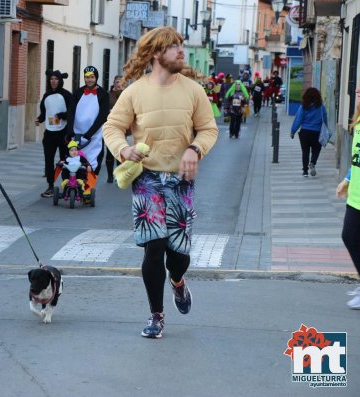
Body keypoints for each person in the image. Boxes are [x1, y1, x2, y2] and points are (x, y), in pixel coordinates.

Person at [103, 26, 218, 339]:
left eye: (181, 46)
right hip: (148, 179)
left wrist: (195, 149)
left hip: (182, 181)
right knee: (153, 249)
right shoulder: (135, 92)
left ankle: (178, 282)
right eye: (173, 47)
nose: (181, 51)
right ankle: (156, 315)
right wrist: (123, 149)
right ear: (156, 53)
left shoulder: (193, 91)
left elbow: (208, 129)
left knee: (177, 255)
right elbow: (112, 127)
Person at [336, 83, 360, 309]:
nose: (358, 91)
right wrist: (347, 179)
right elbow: (357, 159)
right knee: (349, 236)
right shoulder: (359, 122)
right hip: (356, 196)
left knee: (352, 237)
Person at [68, 66, 109, 197]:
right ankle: (76, 185)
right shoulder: (78, 92)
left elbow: (102, 116)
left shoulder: (103, 94)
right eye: (87, 77)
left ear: (96, 77)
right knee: (75, 161)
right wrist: (69, 131)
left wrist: (90, 134)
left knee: (93, 161)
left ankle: (89, 188)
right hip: (77, 135)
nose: (89, 80)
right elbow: (71, 112)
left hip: (94, 135)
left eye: (92, 77)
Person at [36, 70, 72, 198]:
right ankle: (50, 186)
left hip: (63, 133)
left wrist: (62, 115)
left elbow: (72, 112)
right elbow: (44, 112)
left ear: (60, 80)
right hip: (50, 133)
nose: (53, 81)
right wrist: (39, 119)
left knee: (65, 160)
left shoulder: (67, 95)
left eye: (56, 79)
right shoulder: (46, 95)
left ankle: (66, 185)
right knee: (48, 160)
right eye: (51, 79)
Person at [290, 87, 327, 177]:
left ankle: (305, 171)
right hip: (317, 133)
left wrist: (293, 131)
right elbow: (325, 120)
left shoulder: (303, 107)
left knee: (305, 151)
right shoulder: (321, 108)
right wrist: (325, 132)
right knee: (316, 150)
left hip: (305, 132)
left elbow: (298, 120)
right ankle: (313, 163)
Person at [105, 75, 124, 183]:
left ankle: (118, 175)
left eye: (121, 82)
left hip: (122, 126)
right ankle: (109, 175)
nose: (119, 84)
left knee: (120, 151)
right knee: (110, 151)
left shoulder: (125, 94)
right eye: (117, 82)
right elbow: (104, 107)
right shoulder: (108, 94)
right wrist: (109, 111)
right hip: (110, 125)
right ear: (114, 83)